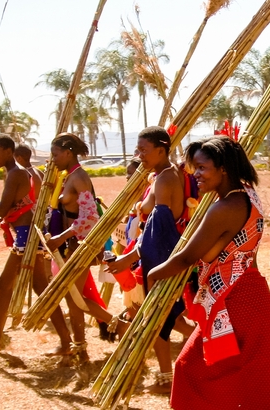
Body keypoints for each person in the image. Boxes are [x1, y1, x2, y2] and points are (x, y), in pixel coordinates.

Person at [147, 135, 270, 410]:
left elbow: (188, 257)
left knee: (192, 370)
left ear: (223, 168)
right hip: (249, 296)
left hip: (234, 302)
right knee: (250, 379)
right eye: (195, 168)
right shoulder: (246, 195)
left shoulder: (225, 207)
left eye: (202, 167)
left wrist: (152, 274)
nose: (196, 174)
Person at [105, 126, 196, 394]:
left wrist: (130, 259)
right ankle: (169, 373)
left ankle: (170, 375)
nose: (139, 154)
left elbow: (160, 233)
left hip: (161, 261)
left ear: (160, 149)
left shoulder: (166, 179)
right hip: (158, 259)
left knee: (158, 318)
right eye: (138, 149)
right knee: (161, 319)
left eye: (143, 150)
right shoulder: (162, 176)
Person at [0, 134, 73, 353]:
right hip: (29, 232)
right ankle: (65, 340)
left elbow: (3, 208)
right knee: (40, 287)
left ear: (7, 151)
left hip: (26, 235)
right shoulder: (19, 173)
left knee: (5, 285)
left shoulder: (15, 174)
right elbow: (19, 208)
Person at [46, 133, 128, 361]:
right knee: (73, 298)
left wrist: (62, 237)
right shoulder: (68, 176)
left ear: (68, 152)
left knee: (77, 299)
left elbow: (90, 217)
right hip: (69, 245)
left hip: (78, 245)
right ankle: (79, 348)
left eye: (55, 155)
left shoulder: (79, 178)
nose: (53, 160)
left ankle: (121, 328)